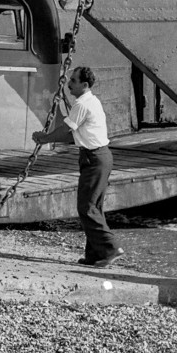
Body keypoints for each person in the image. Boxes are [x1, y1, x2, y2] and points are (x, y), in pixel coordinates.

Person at [33, 66, 125, 267]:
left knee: (87, 207)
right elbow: (71, 134)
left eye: (73, 81)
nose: (69, 84)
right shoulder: (92, 101)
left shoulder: (82, 104)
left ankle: (111, 248)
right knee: (94, 207)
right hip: (100, 157)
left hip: (95, 159)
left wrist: (45, 138)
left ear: (84, 85)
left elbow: (65, 129)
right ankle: (95, 255)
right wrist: (47, 138)